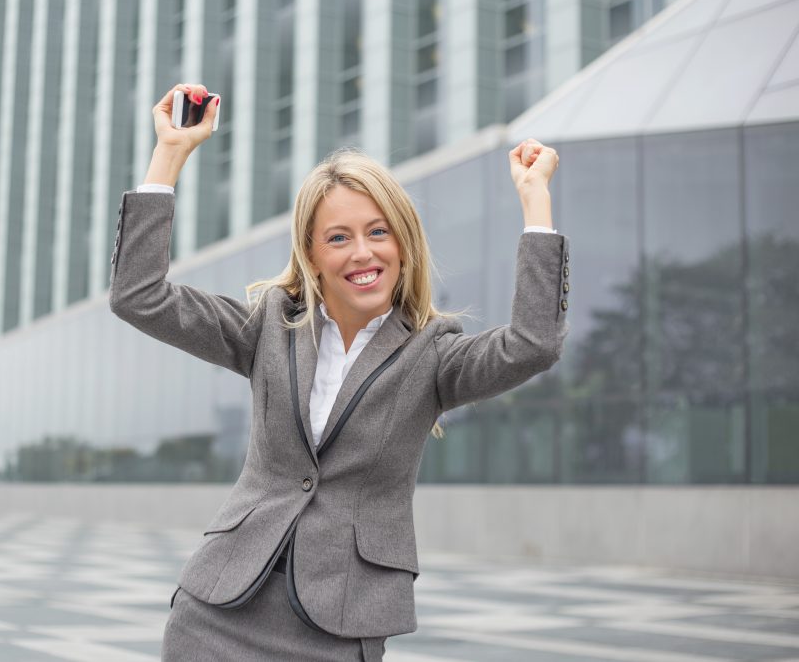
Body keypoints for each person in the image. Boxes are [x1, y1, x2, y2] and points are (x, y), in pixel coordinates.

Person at [109, 83, 570, 662]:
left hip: (340, 623)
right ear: (313, 255)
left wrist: (536, 205)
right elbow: (139, 297)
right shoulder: (268, 328)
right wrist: (169, 154)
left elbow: (534, 343)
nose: (363, 253)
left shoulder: (433, 356)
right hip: (219, 610)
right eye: (339, 238)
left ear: (404, 246)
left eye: (379, 232)